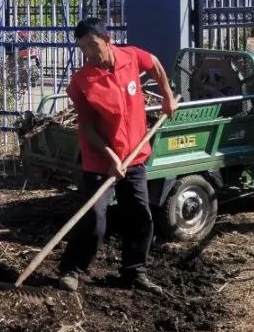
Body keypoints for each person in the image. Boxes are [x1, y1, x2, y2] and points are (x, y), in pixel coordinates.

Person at [57, 18, 178, 293]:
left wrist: (167, 95)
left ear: (107, 39)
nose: (89, 53)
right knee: (95, 219)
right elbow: (87, 128)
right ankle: (72, 269)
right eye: (83, 48)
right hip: (100, 160)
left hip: (134, 155)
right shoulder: (82, 82)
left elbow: (155, 64)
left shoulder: (131, 57)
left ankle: (134, 272)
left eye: (93, 45)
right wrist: (111, 157)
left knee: (140, 215)